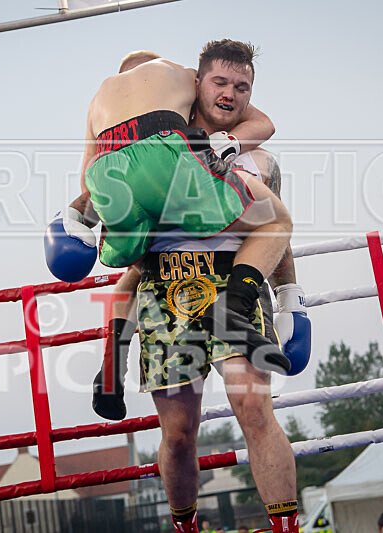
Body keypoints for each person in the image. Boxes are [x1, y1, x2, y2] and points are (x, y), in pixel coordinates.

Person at [90, 42, 302, 533]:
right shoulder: (158, 141)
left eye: (241, 87)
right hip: (165, 284)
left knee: (254, 407)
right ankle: (185, 527)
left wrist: (293, 300)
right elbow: (117, 234)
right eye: (220, 83)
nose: (229, 94)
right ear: (194, 85)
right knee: (179, 432)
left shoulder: (261, 157)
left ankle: (286, 527)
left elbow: (278, 238)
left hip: (235, 281)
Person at [60, 41, 294, 385]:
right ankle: (236, 308)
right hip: (171, 169)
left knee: (138, 269)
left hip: (112, 179)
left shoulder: (99, 100)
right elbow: (263, 122)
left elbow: (87, 183)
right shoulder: (182, 78)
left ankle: (112, 364)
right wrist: (291, 300)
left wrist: (71, 221)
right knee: (276, 219)